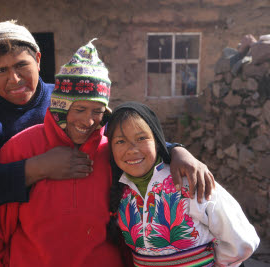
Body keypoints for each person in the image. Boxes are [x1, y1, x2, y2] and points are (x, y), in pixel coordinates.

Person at [0, 20, 214, 265]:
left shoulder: (74, 98)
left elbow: (128, 141)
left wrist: (174, 150)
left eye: (21, 65)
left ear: (38, 60)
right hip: (2, 233)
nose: (14, 79)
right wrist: (41, 167)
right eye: (1, 70)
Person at [106, 102, 260, 267]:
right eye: (121, 141)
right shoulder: (120, 190)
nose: (132, 149)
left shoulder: (188, 180)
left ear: (157, 140)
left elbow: (240, 240)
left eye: (141, 138)